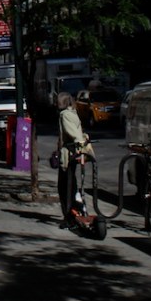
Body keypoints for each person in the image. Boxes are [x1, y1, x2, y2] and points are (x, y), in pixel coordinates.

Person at [57, 91, 94, 224]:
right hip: (75, 152)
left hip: (69, 153)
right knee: (72, 183)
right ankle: (76, 209)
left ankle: (70, 215)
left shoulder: (64, 115)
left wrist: (78, 144)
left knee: (65, 185)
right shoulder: (73, 112)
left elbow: (73, 133)